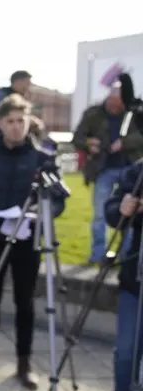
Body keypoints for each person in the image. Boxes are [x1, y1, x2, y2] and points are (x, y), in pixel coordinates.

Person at [0, 94, 67, 390]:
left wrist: (40, 214)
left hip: (27, 241)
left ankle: (24, 363)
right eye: (9, 121)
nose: (15, 127)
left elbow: (59, 200)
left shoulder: (43, 159)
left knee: (25, 303)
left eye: (20, 120)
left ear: (29, 121)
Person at [73, 85, 143, 264]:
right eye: (112, 103)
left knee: (129, 211)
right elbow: (78, 137)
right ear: (107, 99)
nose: (115, 107)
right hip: (103, 168)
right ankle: (98, 254)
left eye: (119, 104)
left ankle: (127, 256)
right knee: (100, 214)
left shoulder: (133, 113)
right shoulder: (93, 113)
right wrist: (89, 143)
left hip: (130, 168)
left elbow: (140, 136)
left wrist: (124, 143)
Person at [105, 159, 143, 391]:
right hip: (135, 281)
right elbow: (111, 209)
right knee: (126, 354)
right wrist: (123, 208)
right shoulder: (137, 170)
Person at [0, 71, 44, 145]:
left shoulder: (19, 98)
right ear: (18, 82)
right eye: (27, 83)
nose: (29, 87)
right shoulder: (1, 98)